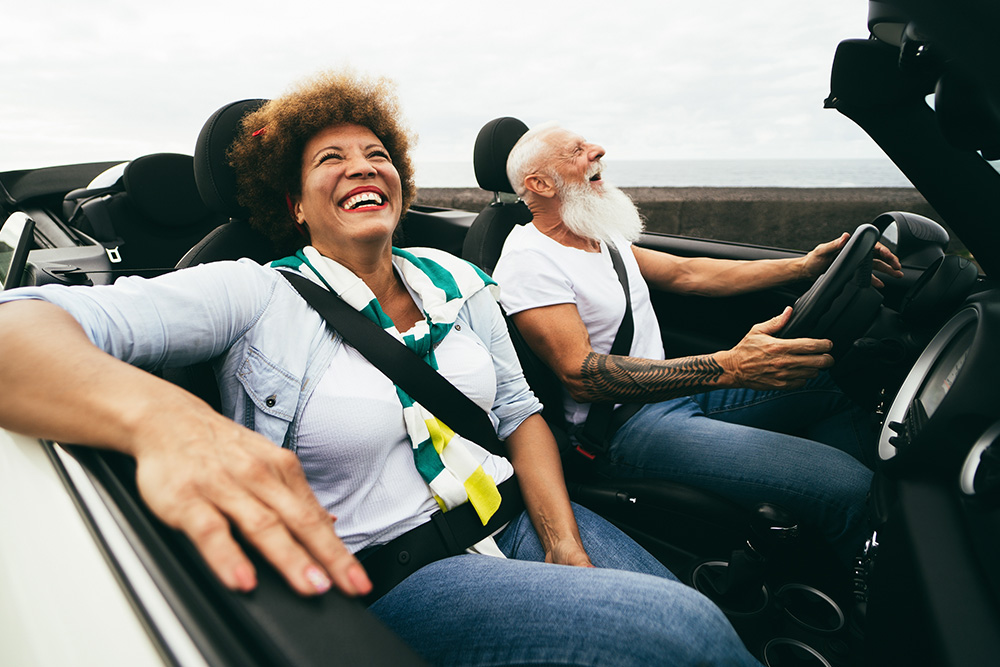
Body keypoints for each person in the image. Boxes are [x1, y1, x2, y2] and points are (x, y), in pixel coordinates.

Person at [0, 73, 762, 666]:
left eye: (377, 154)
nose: (362, 166)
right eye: (330, 158)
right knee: (686, 633)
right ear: (295, 203)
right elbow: (16, 324)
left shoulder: (456, 278)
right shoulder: (254, 290)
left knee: (708, 625)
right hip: (400, 576)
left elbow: (520, 410)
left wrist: (563, 542)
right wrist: (162, 419)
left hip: (522, 519)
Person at [492, 123, 905, 564]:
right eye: (577, 150)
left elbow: (687, 274)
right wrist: (730, 366)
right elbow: (582, 375)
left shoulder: (596, 236)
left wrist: (803, 267)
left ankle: (829, 538)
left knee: (827, 382)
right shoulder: (529, 262)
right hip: (623, 429)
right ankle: (871, 583)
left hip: (677, 394)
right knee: (850, 488)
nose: (598, 150)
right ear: (539, 184)